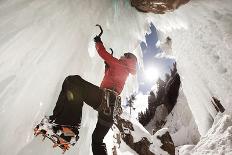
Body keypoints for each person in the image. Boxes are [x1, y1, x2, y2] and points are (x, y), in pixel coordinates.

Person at [48, 34, 137, 154]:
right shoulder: (124, 71)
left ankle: (68, 129)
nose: (121, 55)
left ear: (127, 58)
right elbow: (111, 79)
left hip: (103, 100)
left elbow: (103, 54)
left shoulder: (119, 64)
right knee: (97, 141)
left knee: (73, 81)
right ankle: (68, 133)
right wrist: (107, 67)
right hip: (109, 113)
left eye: (124, 55)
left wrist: (98, 42)